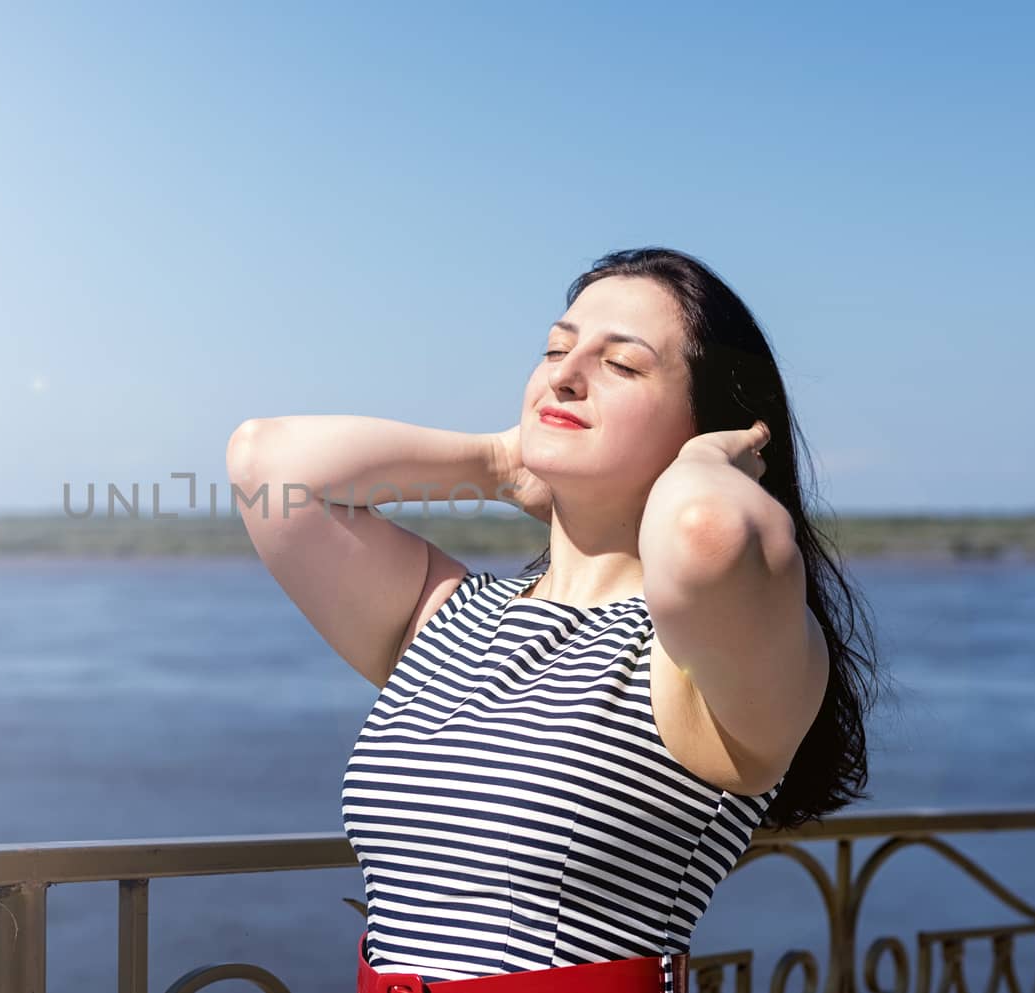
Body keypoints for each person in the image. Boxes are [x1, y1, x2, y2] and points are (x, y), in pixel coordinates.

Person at [225, 246, 882, 992]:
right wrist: (500, 462)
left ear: (708, 424)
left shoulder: (689, 647)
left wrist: (707, 466)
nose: (565, 375)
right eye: (556, 348)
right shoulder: (451, 619)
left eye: (623, 365)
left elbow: (706, 533)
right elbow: (266, 465)